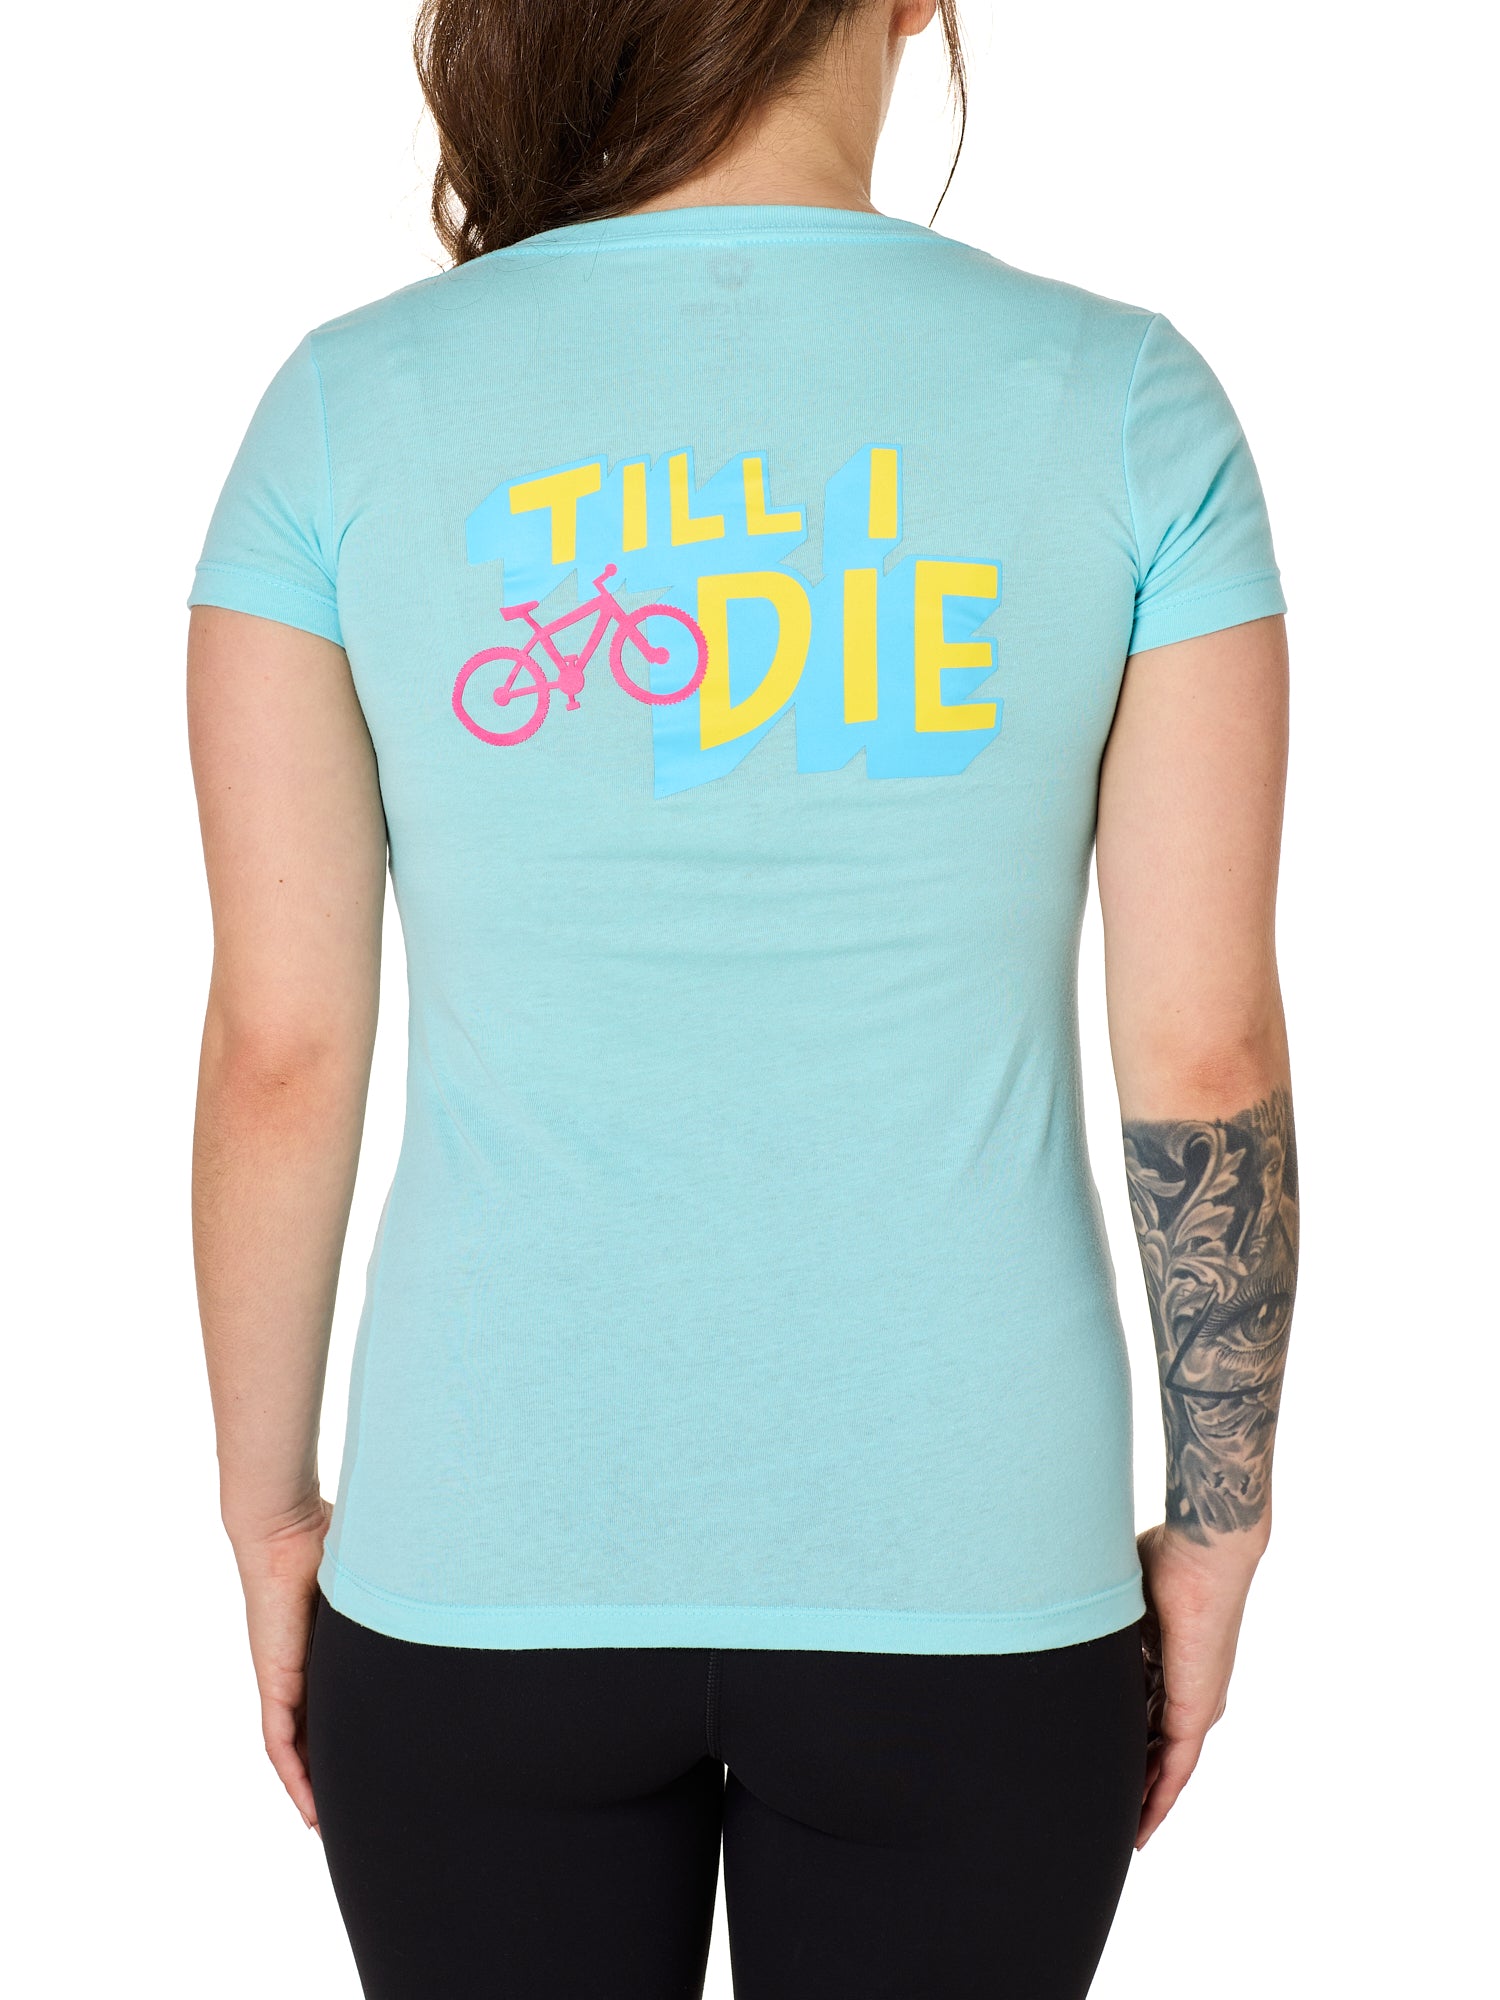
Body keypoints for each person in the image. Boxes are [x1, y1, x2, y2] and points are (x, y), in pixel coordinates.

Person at [186, 1, 1298, 1993]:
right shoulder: (1131, 406)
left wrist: (270, 1516)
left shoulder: (345, 410)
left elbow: (284, 1050)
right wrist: (1218, 1527)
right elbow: (1201, 1050)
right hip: (971, 1574)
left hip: (484, 1562)